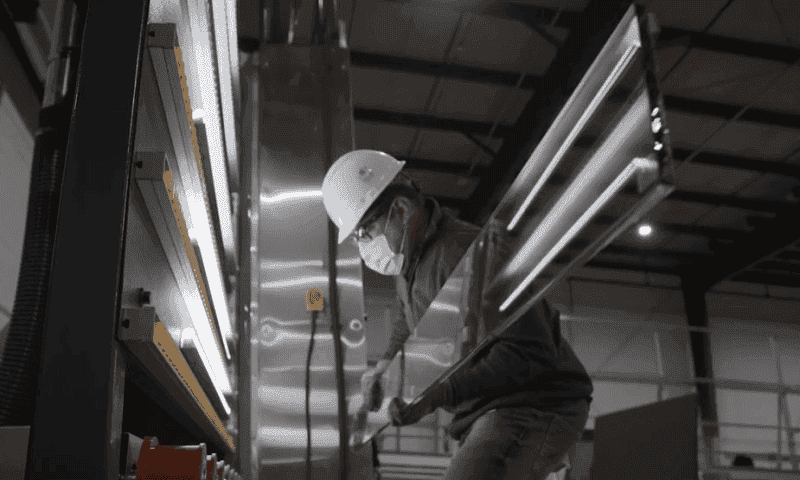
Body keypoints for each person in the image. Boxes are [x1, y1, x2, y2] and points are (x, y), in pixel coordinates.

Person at [322, 150, 594, 480]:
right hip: (486, 408)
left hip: (534, 403)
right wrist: (384, 365)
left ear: (402, 209)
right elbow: (405, 321)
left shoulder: (464, 252)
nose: (364, 245)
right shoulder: (411, 263)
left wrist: (435, 393)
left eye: (366, 231)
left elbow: (529, 353)